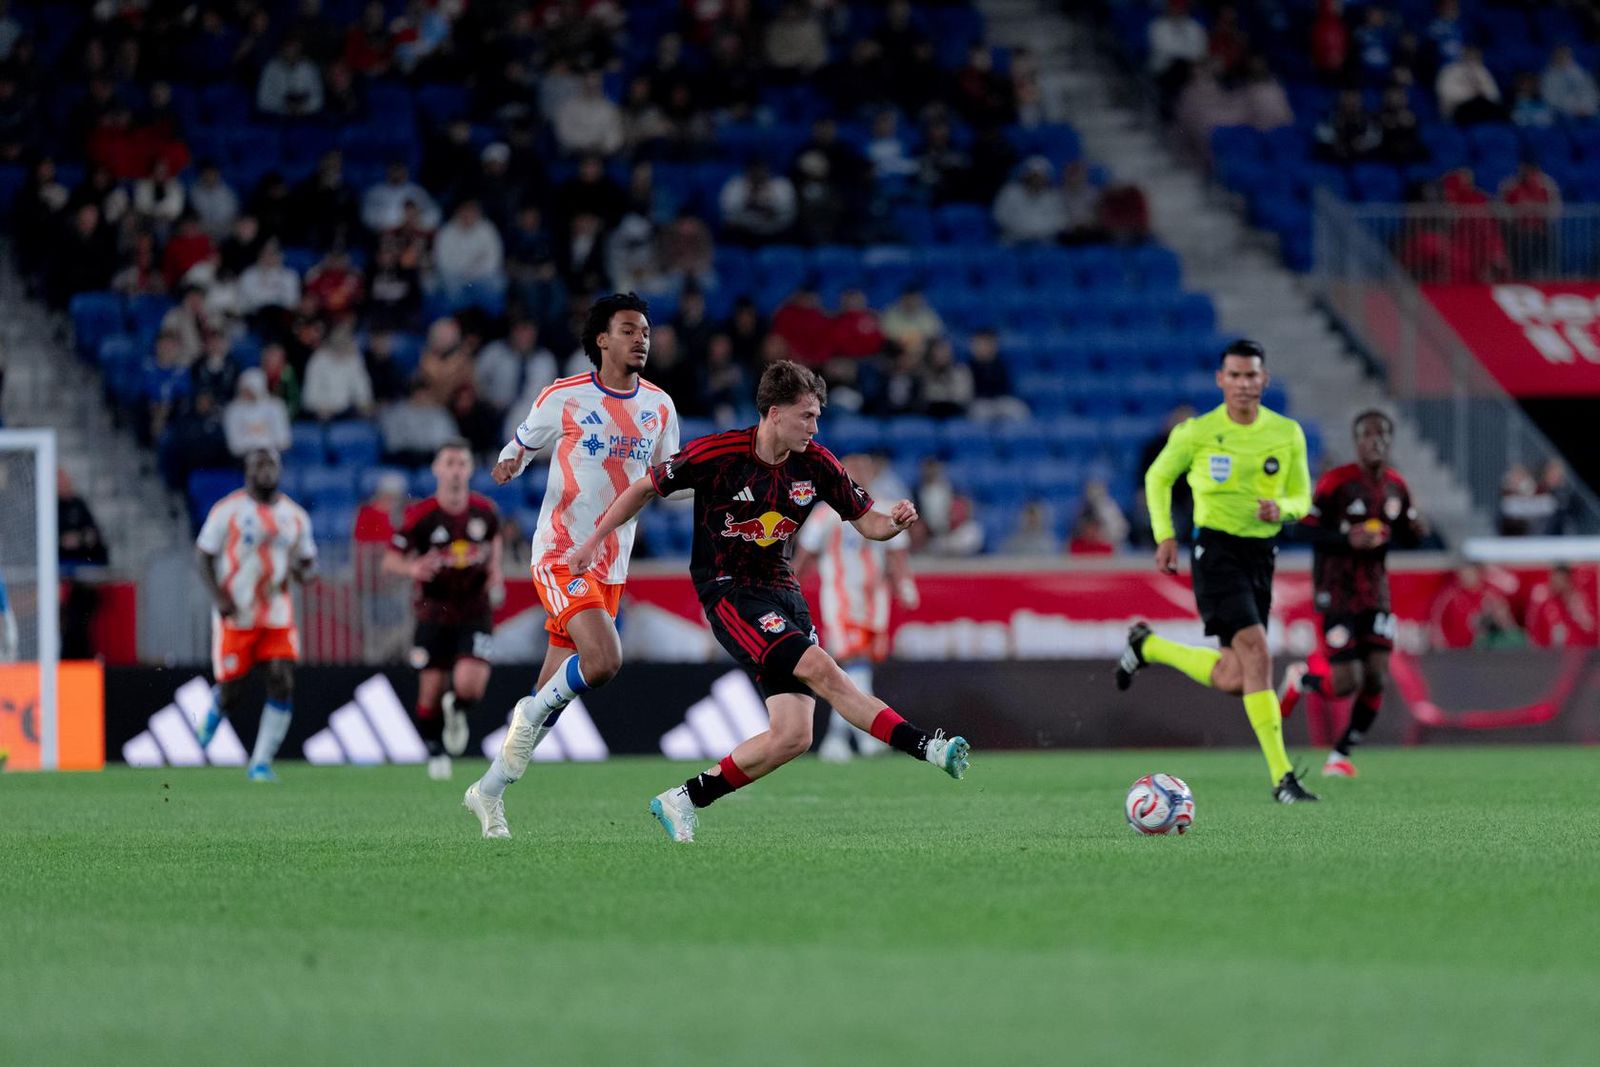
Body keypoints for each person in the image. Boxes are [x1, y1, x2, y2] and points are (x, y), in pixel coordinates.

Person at [567, 360, 970, 844]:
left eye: (817, 416)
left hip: (783, 591)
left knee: (794, 736)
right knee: (824, 670)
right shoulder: (718, 453)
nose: (815, 427)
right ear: (774, 414)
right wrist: (593, 542)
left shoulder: (817, 463)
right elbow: (643, 488)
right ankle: (926, 745)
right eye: (806, 416)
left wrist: (896, 522)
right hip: (730, 590)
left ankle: (681, 800)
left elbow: (869, 523)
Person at [462, 293, 680, 839]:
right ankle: (526, 717)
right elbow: (519, 446)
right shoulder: (563, 396)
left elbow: (666, 482)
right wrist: (511, 460)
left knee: (547, 704)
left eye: (646, 331)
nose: (642, 339)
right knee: (604, 660)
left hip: (612, 567)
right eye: (629, 330)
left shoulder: (660, 407)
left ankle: (487, 793)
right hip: (560, 553)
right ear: (602, 340)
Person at [1115, 339, 1318, 803]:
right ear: (1221, 380)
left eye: (1252, 376)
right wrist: (1165, 533)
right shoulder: (1197, 432)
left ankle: (1148, 646)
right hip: (1216, 552)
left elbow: (1302, 498)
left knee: (1235, 675)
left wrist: (1282, 509)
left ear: (1264, 380)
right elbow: (1157, 477)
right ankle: (1282, 778)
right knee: (1259, 654)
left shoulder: (1286, 433)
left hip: (1261, 556)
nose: (1244, 384)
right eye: (1236, 375)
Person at [1279, 411, 1424, 778]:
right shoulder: (1335, 483)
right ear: (1357, 441)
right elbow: (1300, 532)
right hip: (1336, 591)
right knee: (1346, 682)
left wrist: (1417, 530)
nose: (1375, 441)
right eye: (1368, 435)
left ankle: (1339, 756)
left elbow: (1408, 532)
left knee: (1377, 676)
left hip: (1375, 593)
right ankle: (1302, 680)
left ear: (1390, 441)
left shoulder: (1396, 486)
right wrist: (1347, 539)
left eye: (1382, 435)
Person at [192, 449, 316, 782]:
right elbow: (202, 556)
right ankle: (218, 705)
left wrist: (303, 572)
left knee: (282, 680)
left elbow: (307, 563)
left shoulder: (296, 517)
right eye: (258, 464)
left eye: (271, 463)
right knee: (233, 689)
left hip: (277, 613)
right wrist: (219, 598)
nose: (265, 470)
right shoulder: (228, 511)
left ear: (279, 469)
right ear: (247, 470)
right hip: (237, 613)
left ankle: (260, 763)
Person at [383, 441, 503, 781]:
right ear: (437, 469)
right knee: (430, 691)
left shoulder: (484, 511)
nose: (455, 470)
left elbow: (495, 538)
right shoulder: (421, 516)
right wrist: (413, 569)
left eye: (461, 463)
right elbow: (390, 559)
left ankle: (458, 709)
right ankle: (435, 749)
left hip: (475, 609)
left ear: (469, 470)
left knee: (470, 687)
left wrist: (495, 569)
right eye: (449, 463)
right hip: (434, 611)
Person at [793, 452, 920, 763]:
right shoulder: (824, 514)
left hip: (874, 602)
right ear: (842, 472)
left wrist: (905, 584)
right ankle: (862, 738)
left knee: (857, 666)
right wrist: (786, 588)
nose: (861, 472)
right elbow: (804, 557)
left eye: (867, 467)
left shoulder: (886, 509)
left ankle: (840, 740)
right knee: (853, 660)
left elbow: (895, 555)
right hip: (840, 598)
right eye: (854, 468)